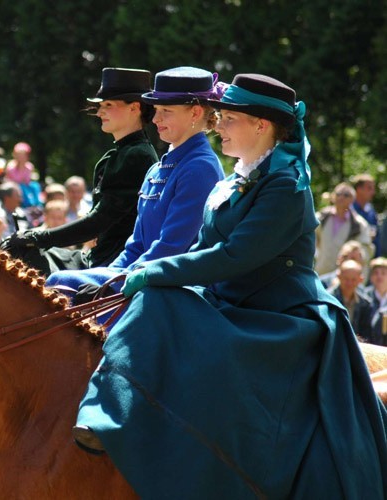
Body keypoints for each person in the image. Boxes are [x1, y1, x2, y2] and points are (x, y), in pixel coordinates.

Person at [72, 74, 387, 499]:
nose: (218, 125)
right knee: (156, 301)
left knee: (156, 296)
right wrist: (148, 278)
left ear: (262, 125)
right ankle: (107, 410)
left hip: (280, 315)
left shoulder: (288, 185)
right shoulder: (228, 181)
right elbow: (202, 251)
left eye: (229, 118)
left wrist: (151, 273)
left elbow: (233, 257)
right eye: (220, 116)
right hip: (229, 302)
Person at [44, 66, 226, 297]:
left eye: (166, 111)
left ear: (195, 113)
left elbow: (171, 248)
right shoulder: (156, 169)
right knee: (60, 281)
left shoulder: (200, 167)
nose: (156, 118)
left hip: (173, 286)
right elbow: (135, 246)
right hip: (142, 277)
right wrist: (109, 275)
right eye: (157, 109)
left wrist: (113, 286)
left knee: (63, 285)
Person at [0, 67, 159, 274]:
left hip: (114, 263)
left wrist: (38, 237)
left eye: (108, 105)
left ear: (134, 108)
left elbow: (100, 221)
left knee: (23, 256)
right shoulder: (121, 154)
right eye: (100, 106)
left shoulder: (137, 155)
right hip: (98, 255)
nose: (100, 112)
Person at [315, 182, 373, 275]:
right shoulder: (320, 217)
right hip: (320, 271)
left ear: (352, 199)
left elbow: (365, 250)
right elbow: (310, 240)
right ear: (333, 197)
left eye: (346, 195)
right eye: (338, 194)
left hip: (345, 277)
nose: (341, 197)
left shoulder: (359, 224)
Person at [327, 259, 373, 342]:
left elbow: (366, 333)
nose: (349, 283)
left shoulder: (365, 303)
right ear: (339, 277)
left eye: (353, 280)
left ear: (360, 280)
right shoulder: (328, 300)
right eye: (346, 279)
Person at [352, 173, 381, 257]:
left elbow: (376, 238)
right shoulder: (349, 210)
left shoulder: (371, 211)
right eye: (369, 188)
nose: (373, 192)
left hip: (368, 261)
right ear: (359, 189)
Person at [365, 257, 387, 346]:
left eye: (383, 273)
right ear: (371, 277)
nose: (379, 276)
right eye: (375, 273)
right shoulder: (364, 297)